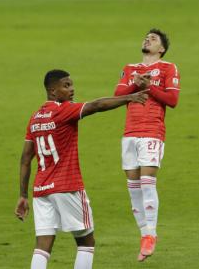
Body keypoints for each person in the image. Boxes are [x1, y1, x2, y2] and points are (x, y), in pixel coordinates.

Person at [14, 69, 148, 269]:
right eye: (66, 85)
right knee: (86, 242)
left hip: (41, 190)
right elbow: (96, 105)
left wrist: (23, 195)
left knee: (42, 245)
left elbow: (25, 159)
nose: (72, 89)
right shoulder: (63, 111)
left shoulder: (34, 119)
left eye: (71, 85)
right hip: (67, 186)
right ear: (53, 91)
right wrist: (130, 97)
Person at [114, 28, 180, 262]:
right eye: (146, 37)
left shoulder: (168, 68)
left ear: (161, 49)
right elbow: (118, 93)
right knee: (132, 185)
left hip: (152, 131)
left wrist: (148, 86)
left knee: (147, 182)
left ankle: (151, 234)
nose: (147, 40)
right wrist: (137, 84)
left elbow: (172, 100)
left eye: (153, 39)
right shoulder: (130, 68)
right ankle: (144, 235)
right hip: (129, 132)